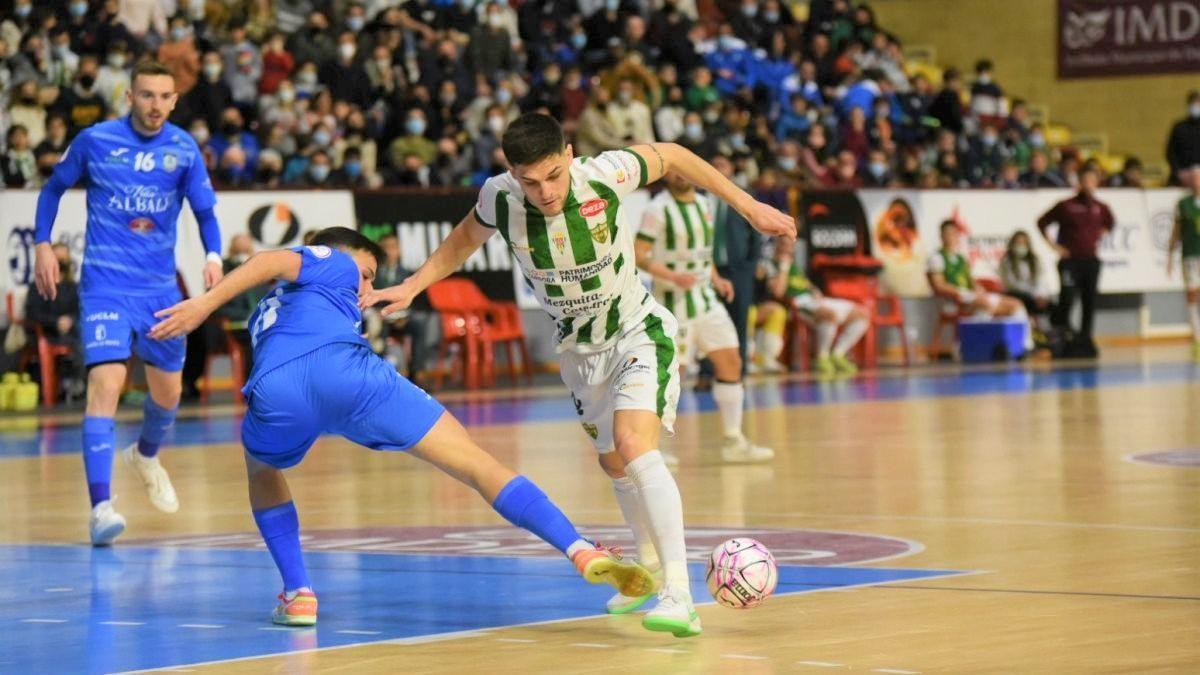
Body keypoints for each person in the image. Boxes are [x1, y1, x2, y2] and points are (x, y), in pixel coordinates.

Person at [364, 113, 795, 638]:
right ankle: (648, 562)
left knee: (635, 446)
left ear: (569, 155)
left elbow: (676, 155)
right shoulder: (499, 198)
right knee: (612, 461)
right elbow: (463, 240)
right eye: (530, 181)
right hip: (579, 351)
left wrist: (748, 207)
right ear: (511, 171)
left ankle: (679, 595)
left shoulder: (605, 174)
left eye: (552, 175)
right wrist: (413, 284)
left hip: (637, 330)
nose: (543, 191)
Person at [147, 227, 654, 626]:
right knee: (477, 464)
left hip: (279, 390)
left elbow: (274, 279)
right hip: (350, 375)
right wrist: (202, 305)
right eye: (368, 274)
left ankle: (299, 593)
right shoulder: (330, 259)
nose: (368, 287)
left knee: (261, 469)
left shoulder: (275, 307)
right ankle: (578, 548)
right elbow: (272, 260)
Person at [32, 61, 225, 546]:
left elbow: (205, 212)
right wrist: (41, 243)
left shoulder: (183, 149)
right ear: (130, 97)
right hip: (105, 287)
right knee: (105, 384)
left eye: (164, 96)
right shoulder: (96, 141)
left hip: (160, 291)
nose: (155, 105)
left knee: (168, 395)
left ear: (174, 100)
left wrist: (214, 256)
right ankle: (101, 508)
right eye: (146, 95)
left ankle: (144, 454)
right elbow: (53, 189)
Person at [636, 170, 773, 463]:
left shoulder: (704, 204)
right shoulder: (656, 208)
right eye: (673, 171)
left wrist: (716, 278)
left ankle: (733, 440)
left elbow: (703, 253)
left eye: (684, 169)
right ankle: (653, 448)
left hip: (706, 300)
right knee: (672, 376)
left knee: (731, 361)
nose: (681, 175)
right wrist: (672, 276)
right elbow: (638, 254)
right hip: (674, 305)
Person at [761, 237, 870, 377]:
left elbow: (804, 284)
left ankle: (838, 354)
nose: (787, 248)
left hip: (813, 299)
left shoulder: (794, 265)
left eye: (790, 245)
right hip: (799, 305)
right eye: (783, 244)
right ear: (776, 245)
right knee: (830, 315)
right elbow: (778, 292)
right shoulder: (770, 264)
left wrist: (813, 289)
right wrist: (783, 267)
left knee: (862, 314)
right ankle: (822, 357)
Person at [1037, 165, 1114, 357]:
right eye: (1085, 180)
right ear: (1079, 182)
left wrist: (1100, 234)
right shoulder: (1066, 205)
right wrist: (1055, 246)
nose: (1089, 184)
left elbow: (1110, 223)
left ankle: (1086, 339)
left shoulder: (1100, 207)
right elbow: (1042, 222)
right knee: (1067, 299)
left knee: (1090, 301)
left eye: (1093, 181)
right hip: (1070, 261)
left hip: (1091, 261)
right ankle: (1064, 338)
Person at [928, 220, 1031, 349]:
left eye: (954, 233)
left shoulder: (960, 258)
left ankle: (1023, 345)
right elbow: (939, 286)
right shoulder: (936, 258)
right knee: (986, 304)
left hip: (970, 297)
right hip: (952, 301)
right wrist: (961, 292)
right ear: (941, 236)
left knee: (1016, 305)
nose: (952, 237)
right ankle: (972, 344)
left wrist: (978, 288)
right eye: (948, 233)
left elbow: (970, 281)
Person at [1168, 165, 1200, 361]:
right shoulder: (1183, 203)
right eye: (1194, 177)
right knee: (1192, 293)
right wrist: (1170, 256)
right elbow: (1176, 231)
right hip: (1190, 255)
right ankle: (1196, 335)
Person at [998, 230, 1054, 320]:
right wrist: (1034, 295)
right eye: (1018, 242)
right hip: (1017, 294)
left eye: (1023, 242)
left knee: (1051, 304)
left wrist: (1041, 294)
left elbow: (1041, 280)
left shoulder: (1035, 260)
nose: (1021, 245)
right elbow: (1012, 284)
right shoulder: (1007, 261)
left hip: (1035, 295)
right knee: (1023, 300)